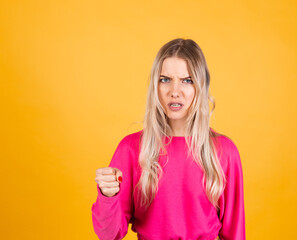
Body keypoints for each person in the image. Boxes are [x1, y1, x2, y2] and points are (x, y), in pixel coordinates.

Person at [91, 38, 245, 240]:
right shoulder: (131, 149)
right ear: (155, 86)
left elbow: (235, 234)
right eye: (165, 79)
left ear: (201, 86)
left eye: (187, 80)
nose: (174, 91)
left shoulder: (224, 151)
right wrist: (107, 196)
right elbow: (109, 235)